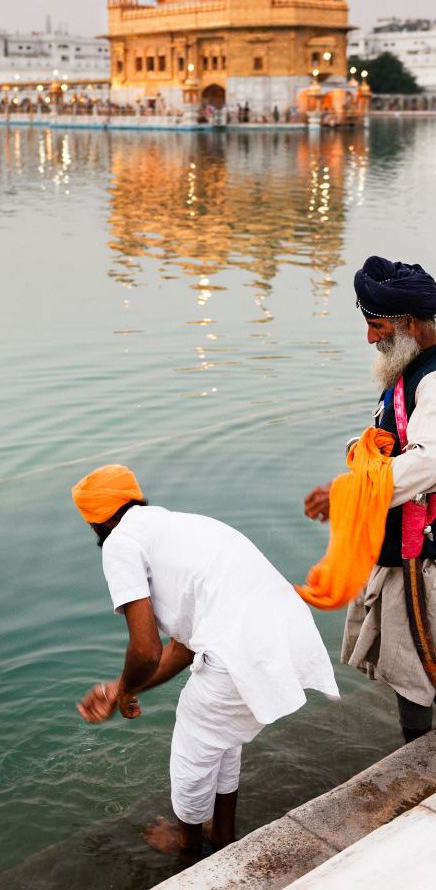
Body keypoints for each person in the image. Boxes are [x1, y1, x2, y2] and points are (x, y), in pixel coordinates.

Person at [72, 464, 339, 861]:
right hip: (283, 635)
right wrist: (123, 688)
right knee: (223, 740)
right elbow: (183, 646)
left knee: (192, 752)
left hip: (241, 649)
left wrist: (123, 689)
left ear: (98, 522)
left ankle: (187, 848)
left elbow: (145, 649)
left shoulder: (120, 543)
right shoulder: (181, 526)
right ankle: (223, 834)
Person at [305, 255, 436, 743]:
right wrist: (363, 450)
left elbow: (428, 462)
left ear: (407, 323)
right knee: (412, 665)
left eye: (376, 326)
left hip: (425, 550)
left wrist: (347, 492)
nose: (369, 338)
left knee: (418, 662)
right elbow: (397, 438)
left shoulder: (434, 378)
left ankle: (419, 758)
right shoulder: (412, 367)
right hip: (405, 538)